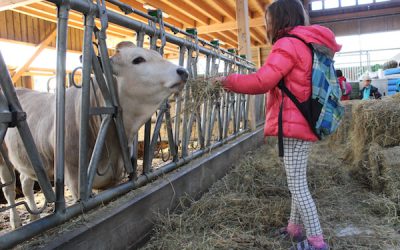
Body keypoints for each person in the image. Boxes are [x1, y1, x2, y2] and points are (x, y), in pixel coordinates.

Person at [218, 0, 341, 249]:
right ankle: (294, 228)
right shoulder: (307, 44)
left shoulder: (287, 44)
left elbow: (262, 81)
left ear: (279, 20)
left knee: (297, 185)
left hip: (295, 124)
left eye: (269, 21)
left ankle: (317, 242)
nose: (268, 26)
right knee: (297, 181)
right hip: (305, 122)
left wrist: (227, 81)